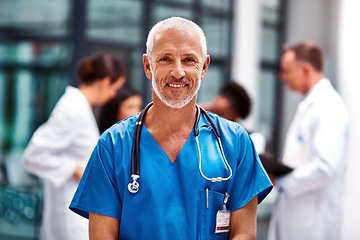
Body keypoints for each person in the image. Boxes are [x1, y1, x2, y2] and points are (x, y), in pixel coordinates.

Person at [70, 17, 272, 240]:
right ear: (148, 66)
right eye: (166, 59)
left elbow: (244, 233)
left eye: (189, 60)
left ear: (204, 67)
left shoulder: (236, 143)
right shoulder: (112, 146)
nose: (178, 72)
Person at [22, 53, 126, 240]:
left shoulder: (80, 107)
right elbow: (33, 155)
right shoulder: (72, 109)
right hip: (69, 211)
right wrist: (74, 169)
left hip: (75, 205)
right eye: (115, 88)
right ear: (104, 82)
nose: (113, 95)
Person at [267, 42, 349, 240]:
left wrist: (283, 182)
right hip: (296, 219)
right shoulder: (310, 105)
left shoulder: (329, 107)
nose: (282, 77)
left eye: (286, 71)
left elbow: (326, 167)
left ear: (305, 70)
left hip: (313, 226)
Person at [201, 81, 266, 154]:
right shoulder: (206, 135)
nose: (213, 117)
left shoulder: (252, 138)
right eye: (211, 111)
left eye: (220, 114)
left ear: (236, 116)